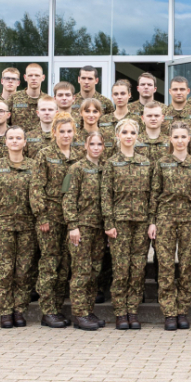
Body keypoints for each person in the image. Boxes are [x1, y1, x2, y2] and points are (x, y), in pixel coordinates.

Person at [103, 119, 153, 329]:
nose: (129, 135)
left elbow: (153, 194)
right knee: (121, 268)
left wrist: (152, 221)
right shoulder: (111, 163)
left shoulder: (146, 162)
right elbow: (105, 194)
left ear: (137, 136)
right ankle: (120, 312)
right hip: (120, 223)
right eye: (124, 132)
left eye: (132, 132)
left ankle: (132, 310)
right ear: (118, 136)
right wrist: (108, 222)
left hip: (141, 222)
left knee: (138, 268)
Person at [151, 123, 191, 330]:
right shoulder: (162, 163)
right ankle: (169, 312)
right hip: (165, 219)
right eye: (176, 137)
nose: (180, 140)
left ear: (189, 139)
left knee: (187, 266)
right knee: (166, 266)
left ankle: (183, 311)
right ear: (170, 139)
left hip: (190, 219)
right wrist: (152, 221)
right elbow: (154, 193)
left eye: (183, 136)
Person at [0, 125, 35, 328]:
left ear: (25, 142)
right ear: (5, 142)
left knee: (23, 271)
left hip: (27, 226)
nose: (15, 141)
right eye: (11, 138)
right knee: (5, 270)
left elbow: (38, 196)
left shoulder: (34, 166)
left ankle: (19, 309)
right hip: (3, 225)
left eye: (18, 138)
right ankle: (5, 311)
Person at [31, 118, 77, 328]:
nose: (66, 135)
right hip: (50, 216)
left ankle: (58, 308)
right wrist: (41, 216)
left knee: (65, 264)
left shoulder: (78, 155)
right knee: (49, 263)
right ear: (55, 133)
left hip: (70, 218)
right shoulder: (45, 154)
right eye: (62, 131)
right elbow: (36, 187)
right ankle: (47, 310)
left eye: (69, 131)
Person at [65, 132, 108, 330]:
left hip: (99, 228)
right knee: (81, 271)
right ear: (85, 146)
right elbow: (68, 198)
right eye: (92, 144)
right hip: (81, 227)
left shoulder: (105, 168)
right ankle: (80, 313)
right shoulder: (76, 168)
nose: (96, 147)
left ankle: (89, 311)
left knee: (94, 271)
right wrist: (73, 225)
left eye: (100, 144)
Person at [12, 63, 46, 130]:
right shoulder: (13, 98)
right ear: (25, 77)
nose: (33, 78)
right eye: (30, 75)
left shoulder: (48, 101)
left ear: (43, 78)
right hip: (18, 139)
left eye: (37, 75)